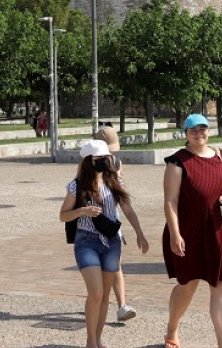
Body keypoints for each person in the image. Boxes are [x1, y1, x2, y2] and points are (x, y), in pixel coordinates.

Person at [162, 113, 222, 348]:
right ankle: (172, 329)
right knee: (188, 285)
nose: (199, 134)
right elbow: (171, 201)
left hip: (220, 229)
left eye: (203, 129)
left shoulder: (220, 155)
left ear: (208, 131)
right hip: (189, 231)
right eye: (193, 130)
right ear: (185, 134)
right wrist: (175, 234)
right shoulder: (177, 161)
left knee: (221, 286)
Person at [60, 139, 149, 348]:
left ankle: (98, 339)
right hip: (86, 241)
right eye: (99, 158)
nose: (104, 161)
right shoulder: (76, 185)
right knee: (96, 292)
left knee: (106, 294)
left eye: (106, 157)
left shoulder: (114, 180)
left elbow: (127, 209)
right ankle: (90, 341)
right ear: (89, 161)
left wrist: (140, 233)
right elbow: (63, 215)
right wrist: (82, 211)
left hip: (111, 241)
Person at [93, 125, 138, 323]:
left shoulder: (116, 162)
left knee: (115, 263)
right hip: (92, 220)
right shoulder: (90, 163)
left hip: (111, 218)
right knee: (97, 265)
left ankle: (121, 305)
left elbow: (121, 188)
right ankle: (99, 301)